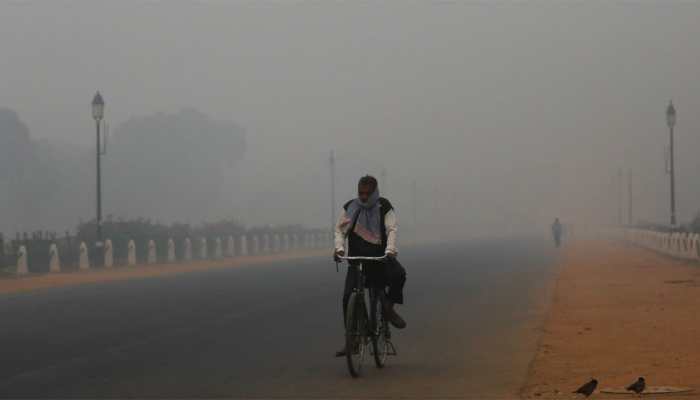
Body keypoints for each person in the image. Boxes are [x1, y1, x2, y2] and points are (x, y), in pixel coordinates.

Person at [333, 175, 406, 357]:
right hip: (357, 260)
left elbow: (392, 229)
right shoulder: (350, 207)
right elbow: (339, 231)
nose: (364, 197)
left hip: (379, 259)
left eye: (368, 193)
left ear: (375, 192)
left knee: (399, 274)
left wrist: (390, 250)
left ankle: (388, 308)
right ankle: (353, 340)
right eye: (361, 193)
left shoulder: (384, 207)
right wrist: (339, 248)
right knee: (347, 297)